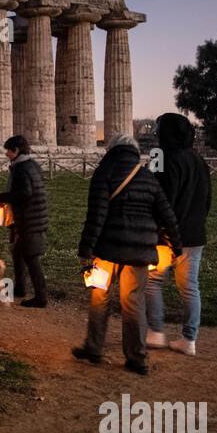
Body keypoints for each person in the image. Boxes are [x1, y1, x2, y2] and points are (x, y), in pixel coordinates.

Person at [74, 133, 182, 375]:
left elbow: (96, 216)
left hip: (106, 251)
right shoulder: (147, 177)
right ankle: (137, 358)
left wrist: (85, 250)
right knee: (133, 304)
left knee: (99, 299)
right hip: (139, 253)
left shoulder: (104, 174)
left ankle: (93, 348)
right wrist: (176, 247)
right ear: (134, 152)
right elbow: (167, 216)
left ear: (111, 150)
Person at [145, 113, 213, 357]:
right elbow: (206, 200)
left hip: (165, 234)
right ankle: (189, 339)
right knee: (189, 287)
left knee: (152, 282)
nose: (155, 134)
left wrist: (154, 226)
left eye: (158, 130)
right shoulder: (199, 161)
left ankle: (155, 332)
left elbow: (153, 193)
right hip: (194, 235)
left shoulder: (159, 157)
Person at [0, 135, 49, 308]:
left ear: (16, 150)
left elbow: (25, 193)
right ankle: (19, 288)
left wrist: (2, 197)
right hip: (34, 215)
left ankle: (41, 297)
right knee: (18, 252)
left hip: (30, 218)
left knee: (31, 257)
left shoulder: (21, 168)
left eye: (8, 151)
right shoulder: (31, 165)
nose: (6, 154)